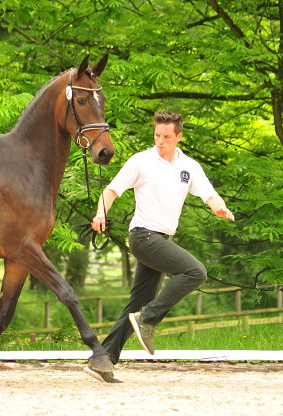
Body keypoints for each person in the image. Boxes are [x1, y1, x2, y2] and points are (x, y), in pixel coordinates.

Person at [90, 110, 234, 368]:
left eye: (166, 136)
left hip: (161, 239)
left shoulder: (189, 167)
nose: (160, 141)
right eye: (157, 135)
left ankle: (102, 360)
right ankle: (148, 318)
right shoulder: (141, 161)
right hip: (143, 237)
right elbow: (111, 191)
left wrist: (220, 208)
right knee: (196, 272)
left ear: (179, 136)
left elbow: (211, 196)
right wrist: (100, 213)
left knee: (137, 305)